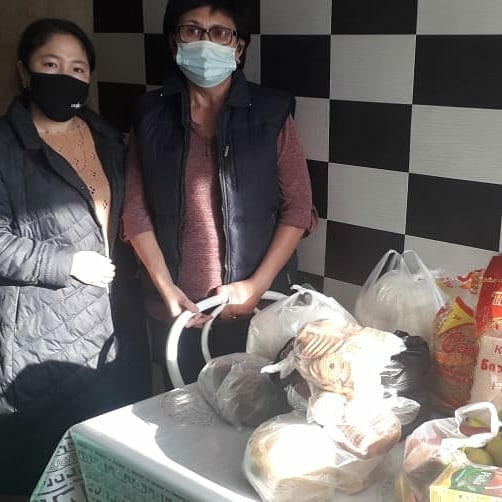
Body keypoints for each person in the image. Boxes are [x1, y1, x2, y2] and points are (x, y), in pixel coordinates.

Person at [122, 0, 318, 386]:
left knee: (263, 410)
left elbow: (298, 208)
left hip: (259, 310)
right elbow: (134, 210)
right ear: (174, 41)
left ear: (239, 47)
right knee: (182, 411)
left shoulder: (272, 112)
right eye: (192, 30)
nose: (205, 42)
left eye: (220, 32)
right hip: (176, 312)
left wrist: (255, 287)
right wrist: (166, 288)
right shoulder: (148, 114)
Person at [0, 18, 152, 496]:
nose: (65, 76)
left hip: (116, 325)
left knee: (112, 461)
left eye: (78, 68)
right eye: (51, 64)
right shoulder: (5, 146)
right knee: (44, 465)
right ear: (24, 72)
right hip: (44, 330)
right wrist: (65, 263)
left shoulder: (106, 137)